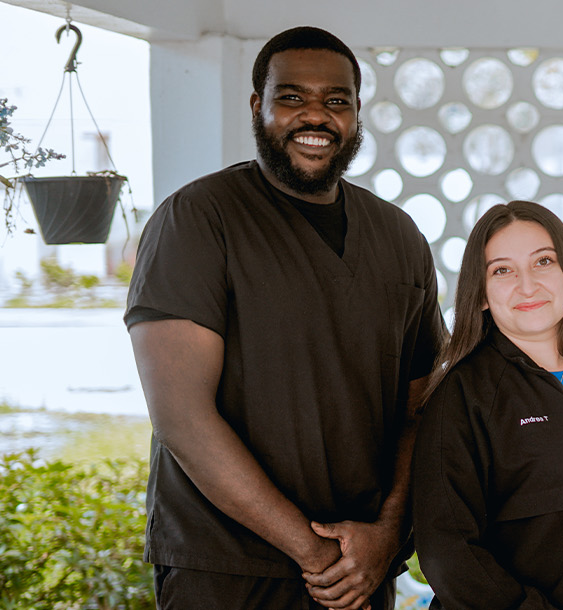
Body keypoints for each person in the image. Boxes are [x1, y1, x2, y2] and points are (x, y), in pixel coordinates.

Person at [125, 26, 444, 610]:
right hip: (226, 573)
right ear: (258, 106)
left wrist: (387, 535)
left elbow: (421, 406)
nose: (315, 116)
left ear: (356, 113)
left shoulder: (398, 237)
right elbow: (183, 419)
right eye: (292, 97)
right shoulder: (198, 221)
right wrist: (314, 553)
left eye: (336, 100)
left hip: (361, 572)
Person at [412, 201, 563, 610]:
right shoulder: (461, 396)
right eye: (502, 270)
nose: (527, 286)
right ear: (481, 295)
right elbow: (448, 548)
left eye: (543, 261)